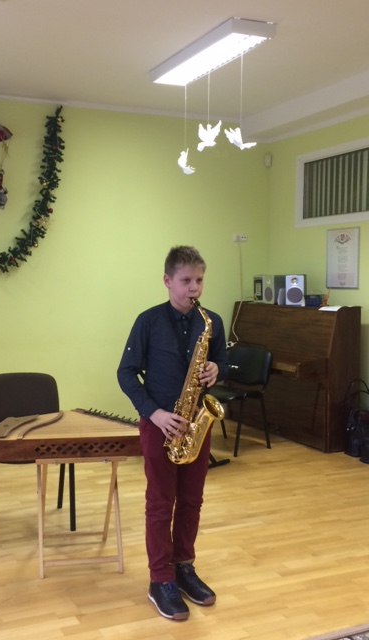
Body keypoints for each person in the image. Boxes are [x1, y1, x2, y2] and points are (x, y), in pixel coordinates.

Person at [117, 245, 228, 621]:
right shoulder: (148, 321)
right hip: (160, 424)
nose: (194, 288)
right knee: (160, 503)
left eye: (199, 280)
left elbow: (223, 361)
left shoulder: (210, 321)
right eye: (186, 281)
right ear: (167, 281)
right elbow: (125, 373)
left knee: (192, 500)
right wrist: (155, 413)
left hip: (196, 422)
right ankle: (160, 578)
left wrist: (217, 369)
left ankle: (184, 566)